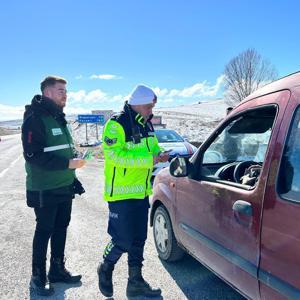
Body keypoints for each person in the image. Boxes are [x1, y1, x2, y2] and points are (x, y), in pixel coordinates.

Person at [97, 84, 169, 298]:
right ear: (138, 105)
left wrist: (161, 153)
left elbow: (153, 148)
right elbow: (113, 156)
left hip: (140, 192)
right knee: (123, 240)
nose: (151, 111)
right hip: (120, 193)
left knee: (139, 239)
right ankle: (106, 266)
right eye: (149, 107)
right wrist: (149, 160)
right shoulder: (115, 124)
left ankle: (135, 281)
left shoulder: (147, 124)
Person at [21, 76, 86, 296]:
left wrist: (73, 167)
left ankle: (57, 270)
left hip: (64, 186)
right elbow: (32, 155)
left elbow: (62, 148)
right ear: (48, 92)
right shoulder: (35, 118)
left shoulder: (59, 118)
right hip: (44, 187)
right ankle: (37, 276)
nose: (65, 94)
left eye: (66, 90)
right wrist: (68, 163)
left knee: (61, 228)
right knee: (44, 230)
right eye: (60, 90)